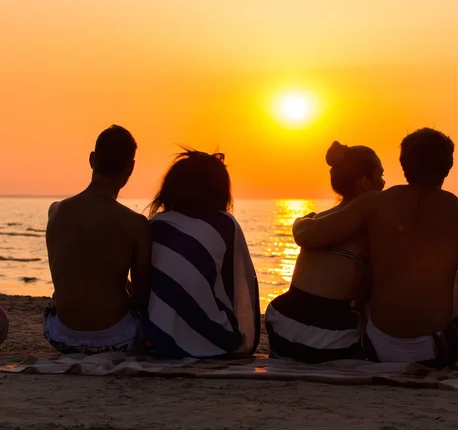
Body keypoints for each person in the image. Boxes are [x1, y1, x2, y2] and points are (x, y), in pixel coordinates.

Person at [292, 128, 458, 368]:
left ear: (403, 164)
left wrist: (304, 220)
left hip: (377, 347)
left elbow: (309, 236)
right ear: (448, 166)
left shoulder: (374, 203)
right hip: (433, 351)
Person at [265, 141, 385, 363]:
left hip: (282, 324)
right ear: (366, 183)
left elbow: (303, 230)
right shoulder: (366, 231)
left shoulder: (314, 221)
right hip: (328, 340)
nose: (384, 182)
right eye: (380, 175)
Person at [144, 149, 260, 359]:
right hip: (212, 342)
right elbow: (241, 286)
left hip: (157, 337)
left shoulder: (155, 225)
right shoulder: (225, 224)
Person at [45, 125, 151, 354]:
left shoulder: (55, 211)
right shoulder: (136, 224)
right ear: (130, 168)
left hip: (61, 335)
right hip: (117, 338)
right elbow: (141, 296)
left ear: (92, 159)